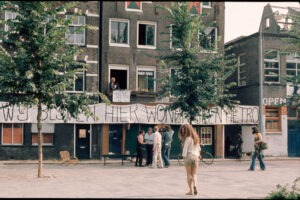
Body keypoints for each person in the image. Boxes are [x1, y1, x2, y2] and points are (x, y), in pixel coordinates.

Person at [179, 124, 201, 196]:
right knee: (194, 174)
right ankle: (195, 185)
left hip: (188, 156)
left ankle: (191, 190)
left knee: (189, 174)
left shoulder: (187, 138)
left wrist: (183, 157)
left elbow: (185, 149)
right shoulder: (196, 138)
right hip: (195, 157)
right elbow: (199, 149)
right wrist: (199, 155)